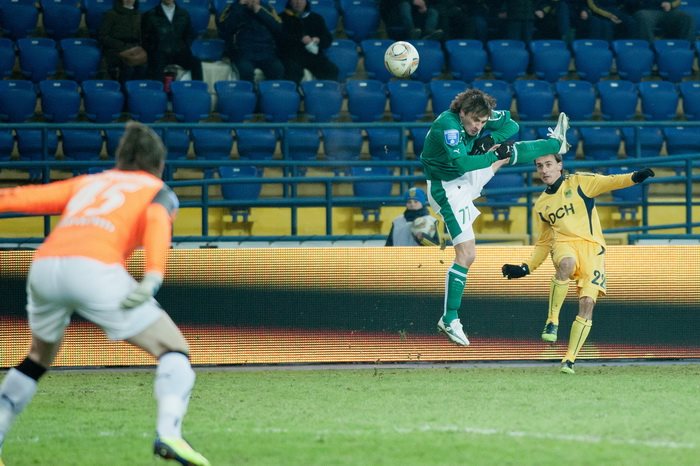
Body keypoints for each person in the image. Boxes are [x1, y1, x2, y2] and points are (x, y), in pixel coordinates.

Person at [0, 121, 210, 466]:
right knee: (174, 349)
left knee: (37, 358)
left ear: (120, 158)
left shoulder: (90, 182)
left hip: (44, 266)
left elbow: (23, 197)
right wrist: (153, 274)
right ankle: (169, 433)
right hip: (93, 269)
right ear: (158, 164)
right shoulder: (156, 189)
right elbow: (157, 219)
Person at [420, 88, 572, 347]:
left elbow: (512, 125)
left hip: (463, 178)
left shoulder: (482, 116)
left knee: (506, 151)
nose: (478, 127)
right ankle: (450, 318)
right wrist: (491, 153)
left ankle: (556, 144)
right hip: (446, 188)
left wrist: (489, 140)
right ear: (463, 112)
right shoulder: (448, 125)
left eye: (482, 122)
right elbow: (461, 164)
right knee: (467, 254)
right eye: (474, 121)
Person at [502, 153, 655, 374]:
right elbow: (544, 242)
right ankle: (552, 321)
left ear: (560, 165)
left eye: (548, 164)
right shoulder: (542, 205)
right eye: (539, 166)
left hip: (593, 249)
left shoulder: (580, 182)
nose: (544, 170)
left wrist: (635, 177)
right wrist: (526, 267)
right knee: (567, 264)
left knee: (587, 303)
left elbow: (610, 181)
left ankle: (569, 359)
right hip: (564, 244)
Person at [218, 0, 286, 82]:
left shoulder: (267, 7)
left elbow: (278, 28)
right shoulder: (233, 7)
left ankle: (267, 90)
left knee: (277, 70)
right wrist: (239, 7)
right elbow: (224, 28)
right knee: (246, 71)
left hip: (267, 52)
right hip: (243, 52)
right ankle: (249, 90)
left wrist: (260, 11)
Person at [141, 0, 203, 82]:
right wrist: (154, 49)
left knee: (196, 62)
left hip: (179, 52)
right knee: (156, 64)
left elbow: (189, 34)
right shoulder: (150, 15)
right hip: (159, 53)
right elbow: (145, 37)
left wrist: (183, 47)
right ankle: (158, 89)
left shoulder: (183, 14)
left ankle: (197, 88)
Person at [280, 0, 339, 83]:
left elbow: (327, 39)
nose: (298, 2)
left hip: (312, 55)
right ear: (290, 2)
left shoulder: (316, 18)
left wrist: (318, 40)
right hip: (291, 56)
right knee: (293, 71)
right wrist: (299, 39)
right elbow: (280, 41)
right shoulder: (282, 18)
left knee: (331, 70)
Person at [98, 0, 148, 84]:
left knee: (143, 65)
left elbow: (143, 35)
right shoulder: (111, 14)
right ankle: (124, 88)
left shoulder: (139, 14)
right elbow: (103, 36)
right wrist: (122, 46)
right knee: (128, 66)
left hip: (135, 48)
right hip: (115, 49)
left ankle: (137, 89)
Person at [628, 0, 696, 43]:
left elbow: (678, 1)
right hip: (648, 10)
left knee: (687, 17)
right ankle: (649, 50)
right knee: (643, 16)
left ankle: (686, 48)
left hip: (668, 11)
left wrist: (671, 5)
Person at [380, 0, 444, 41]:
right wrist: (412, 2)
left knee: (433, 12)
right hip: (397, 13)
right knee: (405, 5)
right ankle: (411, 31)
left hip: (415, 13)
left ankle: (429, 33)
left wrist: (424, 6)